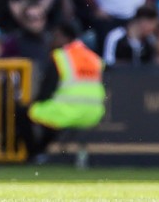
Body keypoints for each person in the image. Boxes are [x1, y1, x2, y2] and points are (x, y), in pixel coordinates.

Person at [17, 22, 105, 161]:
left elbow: (47, 91)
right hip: (94, 113)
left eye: (56, 36)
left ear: (65, 37)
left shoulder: (61, 56)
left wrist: (32, 103)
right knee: (50, 119)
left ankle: (35, 154)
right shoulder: (93, 57)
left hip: (68, 110)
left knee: (23, 113)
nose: (53, 40)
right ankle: (41, 152)